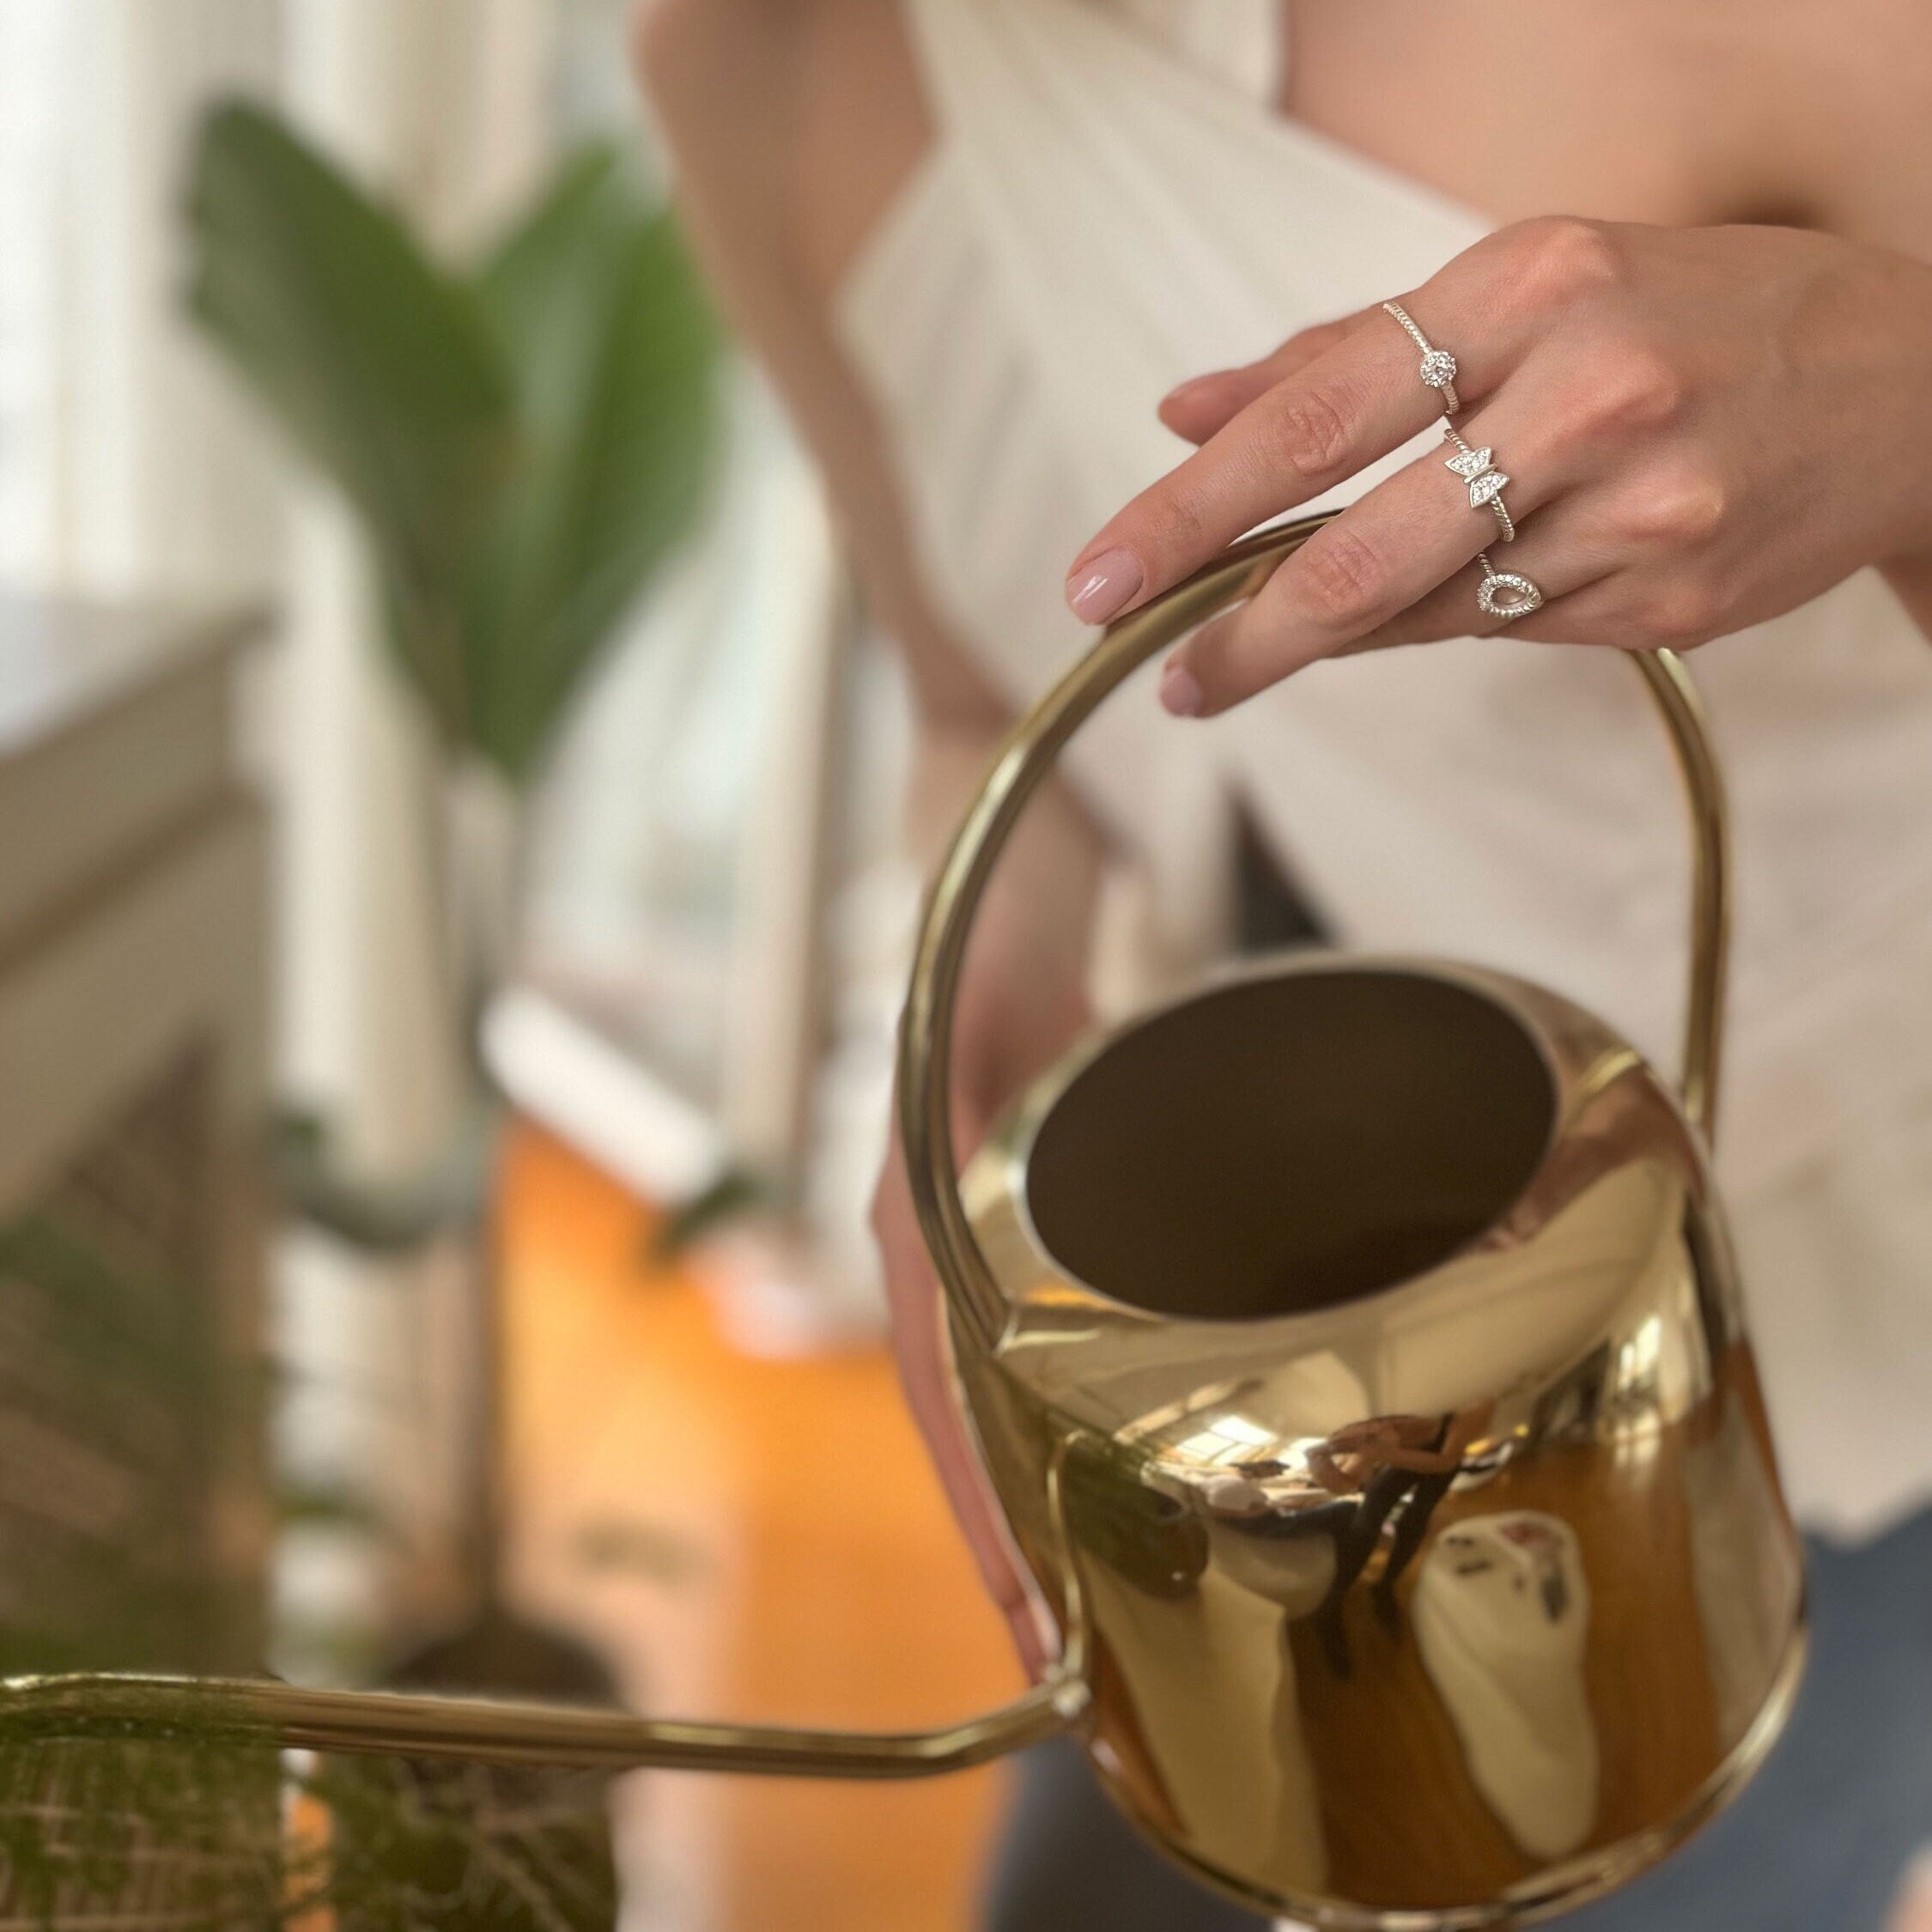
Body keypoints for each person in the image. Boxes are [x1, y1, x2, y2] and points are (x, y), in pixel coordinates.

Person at [635, 3, 1932, 1924]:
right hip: (1310, 1247)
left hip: (1838, 1310)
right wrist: (977, 981)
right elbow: (980, 706)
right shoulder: (745, 61)